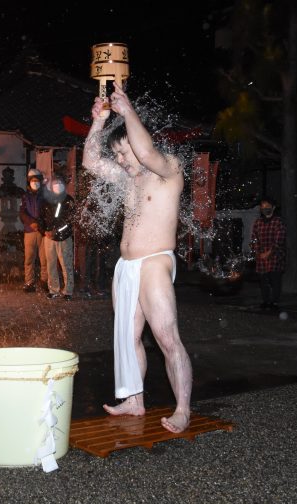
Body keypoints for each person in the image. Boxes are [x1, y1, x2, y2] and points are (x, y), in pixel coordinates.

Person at [82, 83, 192, 434]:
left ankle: (183, 409)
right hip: (126, 267)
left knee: (166, 337)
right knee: (128, 337)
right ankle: (134, 400)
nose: (121, 160)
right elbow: (89, 161)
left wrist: (127, 110)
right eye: (117, 155)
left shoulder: (168, 170)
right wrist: (98, 122)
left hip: (155, 262)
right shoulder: (128, 180)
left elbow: (145, 153)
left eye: (123, 152)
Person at [41, 174, 75, 300]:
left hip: (64, 237)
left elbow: (70, 221)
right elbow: (41, 218)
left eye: (60, 183)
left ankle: (68, 291)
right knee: (51, 264)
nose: (57, 186)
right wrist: (44, 231)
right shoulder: (47, 200)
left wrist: (57, 231)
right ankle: (53, 289)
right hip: (48, 238)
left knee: (66, 264)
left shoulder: (68, 200)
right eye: (55, 183)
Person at [249, 197, 287, 310]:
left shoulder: (279, 222)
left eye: (267, 207)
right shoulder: (258, 222)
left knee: (275, 280)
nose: (265, 209)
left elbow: (279, 240)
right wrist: (257, 251)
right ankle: (265, 301)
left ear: (273, 208)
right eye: (263, 207)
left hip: (275, 256)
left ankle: (274, 302)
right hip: (261, 256)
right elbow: (254, 239)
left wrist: (269, 253)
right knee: (263, 281)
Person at [19, 169, 48, 293]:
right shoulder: (25, 196)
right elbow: (22, 213)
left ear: (40, 182)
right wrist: (31, 222)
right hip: (29, 231)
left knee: (44, 258)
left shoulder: (46, 196)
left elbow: (48, 213)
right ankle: (29, 282)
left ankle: (44, 281)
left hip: (42, 231)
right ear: (29, 182)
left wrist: (40, 224)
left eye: (37, 181)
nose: (35, 183)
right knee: (29, 258)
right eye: (32, 181)